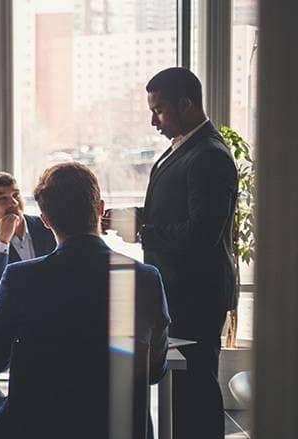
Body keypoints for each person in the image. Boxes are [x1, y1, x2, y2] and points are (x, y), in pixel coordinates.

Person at [0, 162, 171, 439]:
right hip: (120, 429)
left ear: (45, 219)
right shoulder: (146, 278)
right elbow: (153, 372)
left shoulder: (21, 278)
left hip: (39, 428)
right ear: (100, 208)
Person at [105, 67, 238, 439]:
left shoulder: (210, 155)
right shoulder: (183, 147)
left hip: (195, 294)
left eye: (159, 110)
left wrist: (144, 230)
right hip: (177, 290)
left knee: (196, 391)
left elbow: (203, 233)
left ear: (187, 104)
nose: (153, 120)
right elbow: (172, 211)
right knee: (182, 391)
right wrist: (125, 218)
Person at [0, 172, 57, 403]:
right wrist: (2, 242)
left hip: (51, 321)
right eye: (2, 198)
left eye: (16, 195)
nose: (13, 203)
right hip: (11, 324)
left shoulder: (47, 228)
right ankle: (5, 412)